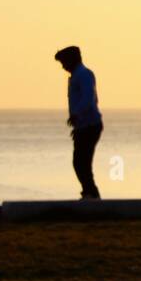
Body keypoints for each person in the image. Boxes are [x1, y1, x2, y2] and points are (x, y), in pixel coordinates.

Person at [54, 45, 103, 199]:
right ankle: (89, 192)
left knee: (82, 162)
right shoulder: (78, 76)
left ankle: (91, 194)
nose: (63, 67)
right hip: (83, 126)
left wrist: (76, 114)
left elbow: (89, 99)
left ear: (72, 60)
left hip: (89, 125)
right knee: (80, 162)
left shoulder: (83, 75)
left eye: (64, 62)